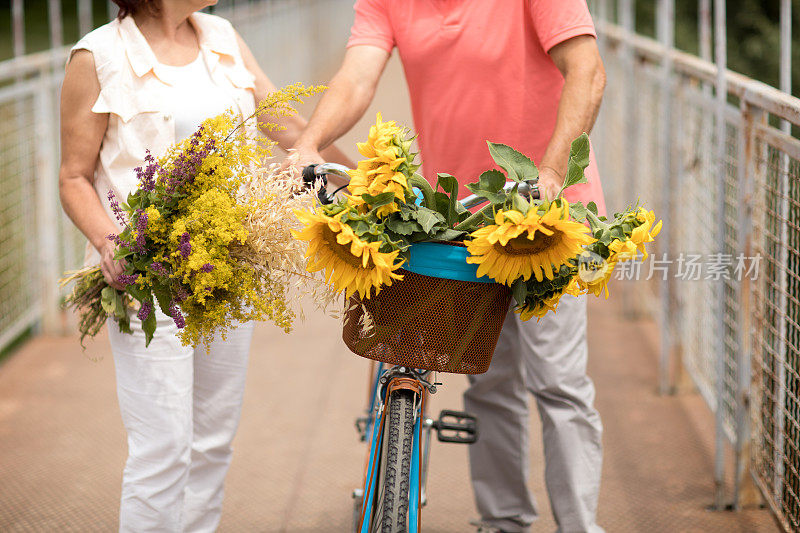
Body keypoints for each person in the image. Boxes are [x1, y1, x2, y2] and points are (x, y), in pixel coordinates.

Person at [290, 1, 607, 531]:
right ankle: (505, 521)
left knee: (557, 380)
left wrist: (551, 173)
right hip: (455, 217)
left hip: (547, 215)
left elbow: (588, 71)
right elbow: (356, 78)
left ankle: (579, 527)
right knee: (488, 380)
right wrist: (308, 142)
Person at [58, 0, 350, 530]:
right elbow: (73, 176)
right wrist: (109, 243)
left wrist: (369, 176)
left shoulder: (221, 35)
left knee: (214, 439)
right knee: (162, 449)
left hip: (230, 264)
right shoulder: (97, 56)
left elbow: (285, 122)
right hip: (149, 278)